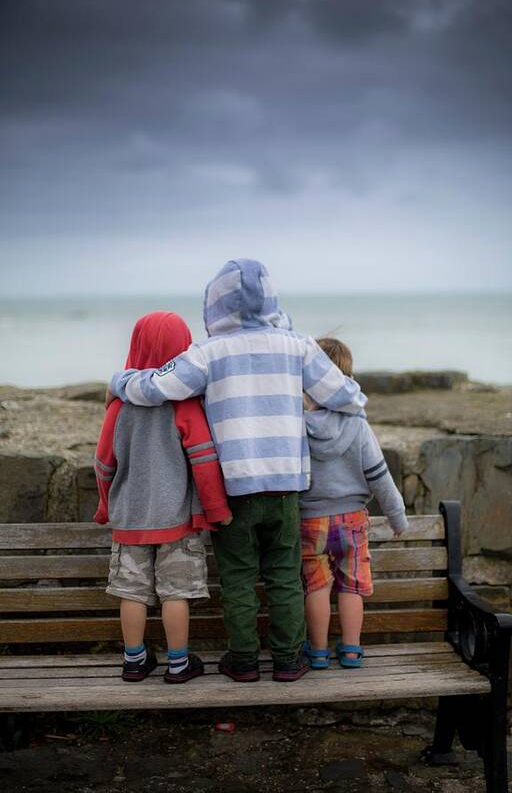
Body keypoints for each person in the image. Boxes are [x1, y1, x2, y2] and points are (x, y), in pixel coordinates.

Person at [107, 260, 368, 683]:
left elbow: (155, 387)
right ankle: (287, 661)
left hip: (233, 489)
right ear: (271, 300)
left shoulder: (208, 353)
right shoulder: (298, 346)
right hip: (286, 488)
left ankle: (243, 661)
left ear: (214, 305)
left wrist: (121, 382)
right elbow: (349, 397)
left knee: (239, 577)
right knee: (285, 575)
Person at [94, 311, 231, 684]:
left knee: (131, 592)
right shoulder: (184, 405)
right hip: (178, 521)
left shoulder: (118, 407)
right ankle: (178, 663)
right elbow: (204, 461)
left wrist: (107, 504)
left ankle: (134, 661)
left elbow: (104, 463)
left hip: (129, 521)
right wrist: (216, 510)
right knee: (176, 593)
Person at [299, 337, 409, 670]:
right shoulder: (357, 425)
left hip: (309, 519)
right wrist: (397, 516)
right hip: (352, 519)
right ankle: (350, 650)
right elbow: (380, 474)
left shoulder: (296, 426)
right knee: (351, 586)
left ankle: (317, 651)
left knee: (316, 585)